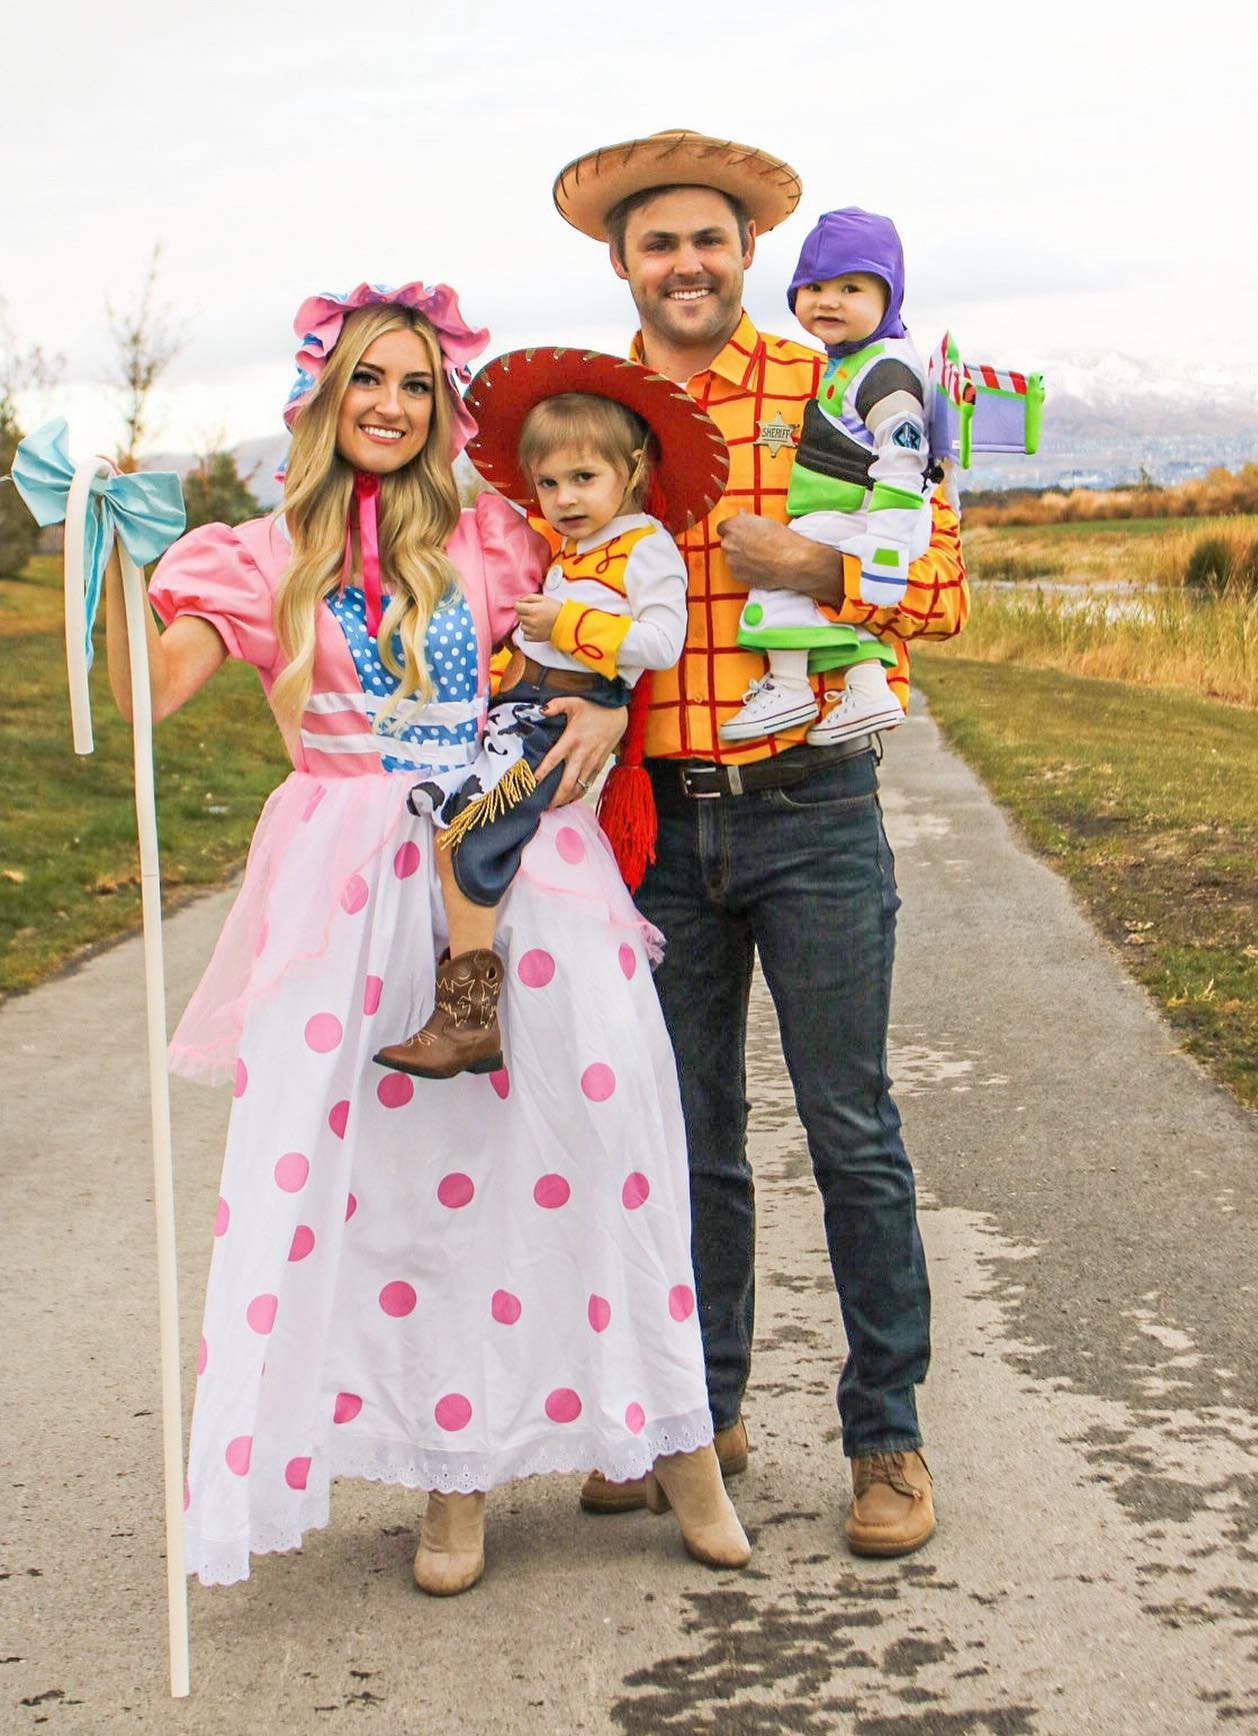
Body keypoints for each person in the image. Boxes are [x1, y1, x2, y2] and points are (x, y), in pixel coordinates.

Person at [107, 280, 748, 1595]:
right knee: (415, 1191)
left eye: (413, 383)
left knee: (606, 1139)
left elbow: (598, 652)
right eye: (367, 380)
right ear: (322, 397)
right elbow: (144, 697)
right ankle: (449, 1482)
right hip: (348, 893)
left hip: (516, 866)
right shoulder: (257, 551)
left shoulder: (501, 535)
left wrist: (615, 715)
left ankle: (679, 1444)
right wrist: (115, 563)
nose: (392, 406)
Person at [549, 131, 971, 1556]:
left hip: (812, 809)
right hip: (654, 828)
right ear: (623, 264)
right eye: (657, 243)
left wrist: (820, 564)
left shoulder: (837, 383)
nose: (686, 264)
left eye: (710, 241)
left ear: (748, 257)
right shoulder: (587, 420)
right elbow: (528, 582)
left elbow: (948, 587)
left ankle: (887, 1441)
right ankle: (700, 1423)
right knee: (685, 1140)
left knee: (852, 1128)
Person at [371, 349, 727, 1081]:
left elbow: (659, 643)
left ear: (630, 470)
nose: (564, 498)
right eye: (549, 483)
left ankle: (468, 1017)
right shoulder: (568, 552)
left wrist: (565, 623)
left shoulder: (645, 548)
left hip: (561, 715)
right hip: (520, 707)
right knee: (446, 821)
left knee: (469, 831)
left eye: (584, 478)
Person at [720, 206, 931, 747]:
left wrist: (884, 544)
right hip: (854, 510)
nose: (828, 300)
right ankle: (865, 688)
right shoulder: (850, 363)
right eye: (813, 286)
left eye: (852, 287)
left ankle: (790, 685)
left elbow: (904, 457)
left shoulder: (885, 371)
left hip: (871, 513)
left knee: (777, 575)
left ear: (890, 296)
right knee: (828, 605)